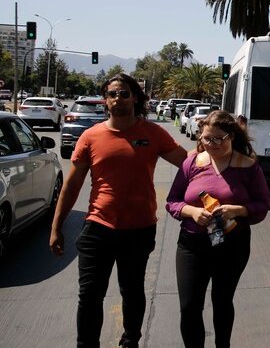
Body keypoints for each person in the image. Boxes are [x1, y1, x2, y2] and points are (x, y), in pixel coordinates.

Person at [49, 73, 187, 348]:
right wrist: (56, 227)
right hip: (98, 228)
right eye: (112, 94)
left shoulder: (153, 133)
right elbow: (72, 185)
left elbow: (188, 165)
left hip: (139, 230)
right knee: (89, 295)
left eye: (124, 93)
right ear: (105, 100)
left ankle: (130, 341)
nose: (118, 99)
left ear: (135, 97)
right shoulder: (91, 136)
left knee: (133, 292)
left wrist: (226, 156)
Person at [166, 110, 270, 348]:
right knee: (189, 307)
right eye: (206, 139)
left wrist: (237, 210)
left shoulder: (248, 166)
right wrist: (191, 212)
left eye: (218, 139)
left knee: (222, 301)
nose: (211, 145)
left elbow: (263, 204)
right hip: (192, 244)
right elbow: (173, 201)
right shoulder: (191, 162)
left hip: (232, 245)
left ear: (232, 136)